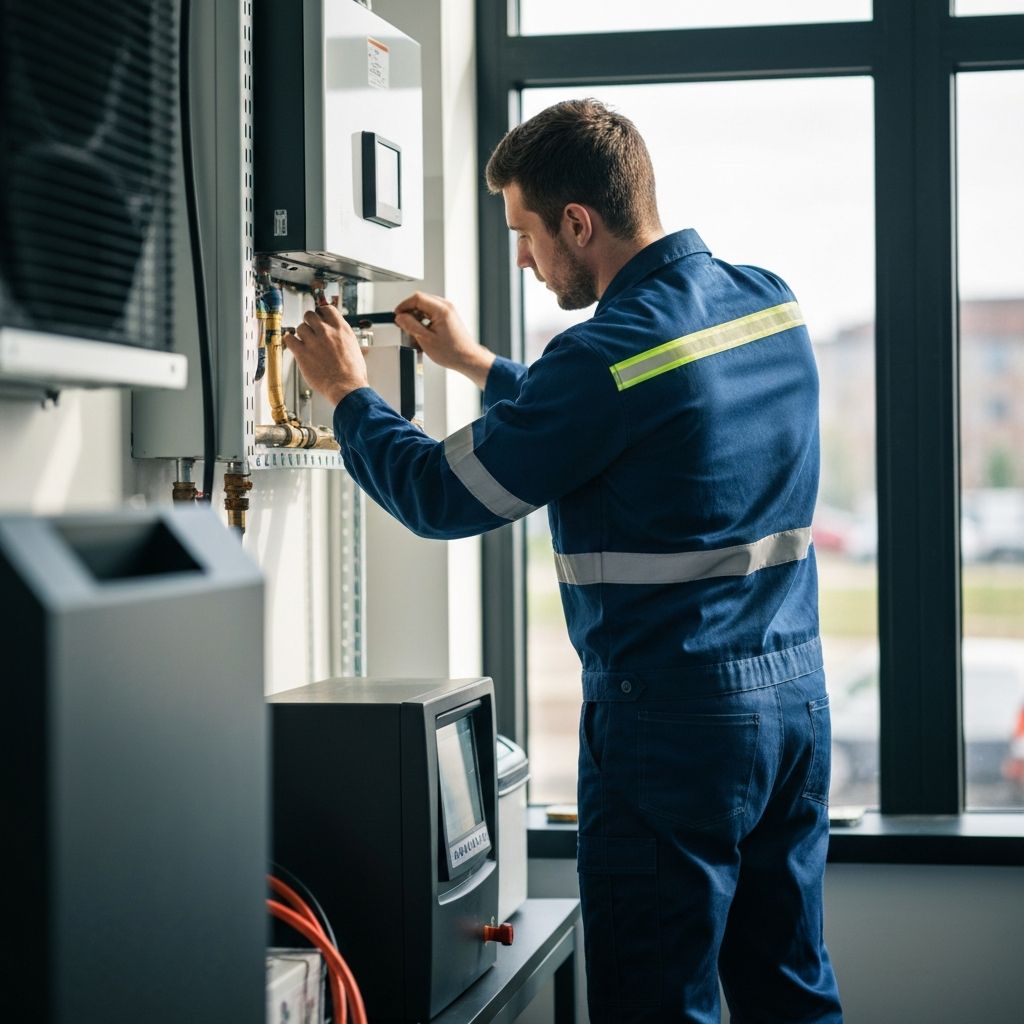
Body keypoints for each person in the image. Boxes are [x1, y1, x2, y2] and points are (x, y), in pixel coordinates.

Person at [284, 98, 843, 1024]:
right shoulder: (765, 301)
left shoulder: (603, 358)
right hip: (792, 707)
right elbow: (646, 415)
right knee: (787, 984)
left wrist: (348, 394)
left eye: (527, 234)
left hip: (672, 728)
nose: (523, 259)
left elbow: (438, 494)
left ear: (578, 223)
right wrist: (476, 363)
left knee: (656, 1004)